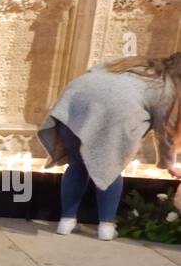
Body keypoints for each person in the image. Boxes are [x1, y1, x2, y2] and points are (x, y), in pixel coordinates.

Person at [38, 52, 181, 240]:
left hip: (75, 101)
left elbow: (94, 71)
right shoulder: (168, 87)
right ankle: (105, 226)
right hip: (113, 113)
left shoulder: (132, 64)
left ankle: (66, 221)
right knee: (110, 167)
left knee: (77, 164)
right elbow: (167, 130)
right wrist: (168, 163)